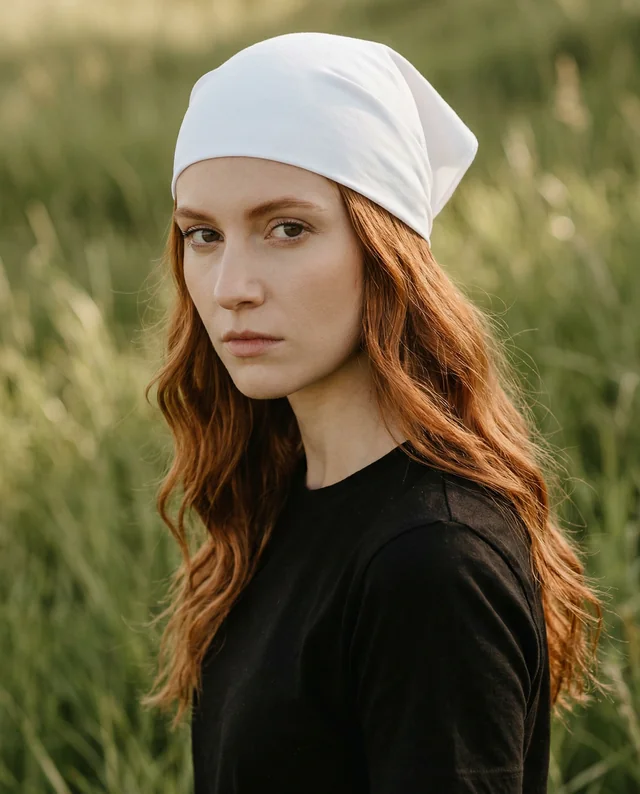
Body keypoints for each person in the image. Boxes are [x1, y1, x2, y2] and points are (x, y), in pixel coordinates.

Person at [142, 31, 605, 794]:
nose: (230, 287)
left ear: (384, 248)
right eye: (204, 235)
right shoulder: (277, 497)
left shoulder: (432, 563)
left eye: (287, 228)